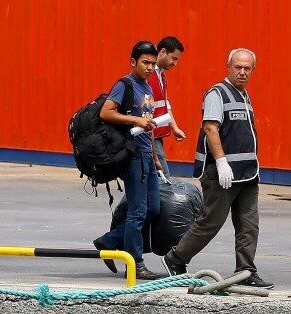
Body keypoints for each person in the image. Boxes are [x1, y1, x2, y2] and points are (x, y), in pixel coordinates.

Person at [162, 49, 273, 289]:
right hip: (222, 174)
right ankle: (175, 258)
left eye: (247, 68)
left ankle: (246, 270)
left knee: (248, 224)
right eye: (237, 67)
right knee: (211, 222)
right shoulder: (217, 94)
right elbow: (211, 128)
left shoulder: (244, 96)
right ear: (228, 66)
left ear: (253, 70)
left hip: (247, 174)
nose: (242, 72)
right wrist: (221, 163)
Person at [93, 41, 163, 280]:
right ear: (133, 62)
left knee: (153, 208)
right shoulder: (125, 85)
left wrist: (155, 157)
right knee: (138, 211)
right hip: (132, 156)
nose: (150, 67)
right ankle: (136, 264)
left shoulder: (148, 88)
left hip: (146, 156)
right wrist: (134, 120)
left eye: (153, 63)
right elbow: (106, 112)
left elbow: (149, 125)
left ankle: (108, 241)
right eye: (145, 62)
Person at [148, 36, 186, 179]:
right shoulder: (149, 75)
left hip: (155, 134)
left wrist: (174, 127)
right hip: (149, 135)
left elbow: (165, 104)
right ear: (162, 51)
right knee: (163, 178)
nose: (175, 63)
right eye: (174, 58)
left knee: (151, 178)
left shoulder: (161, 75)